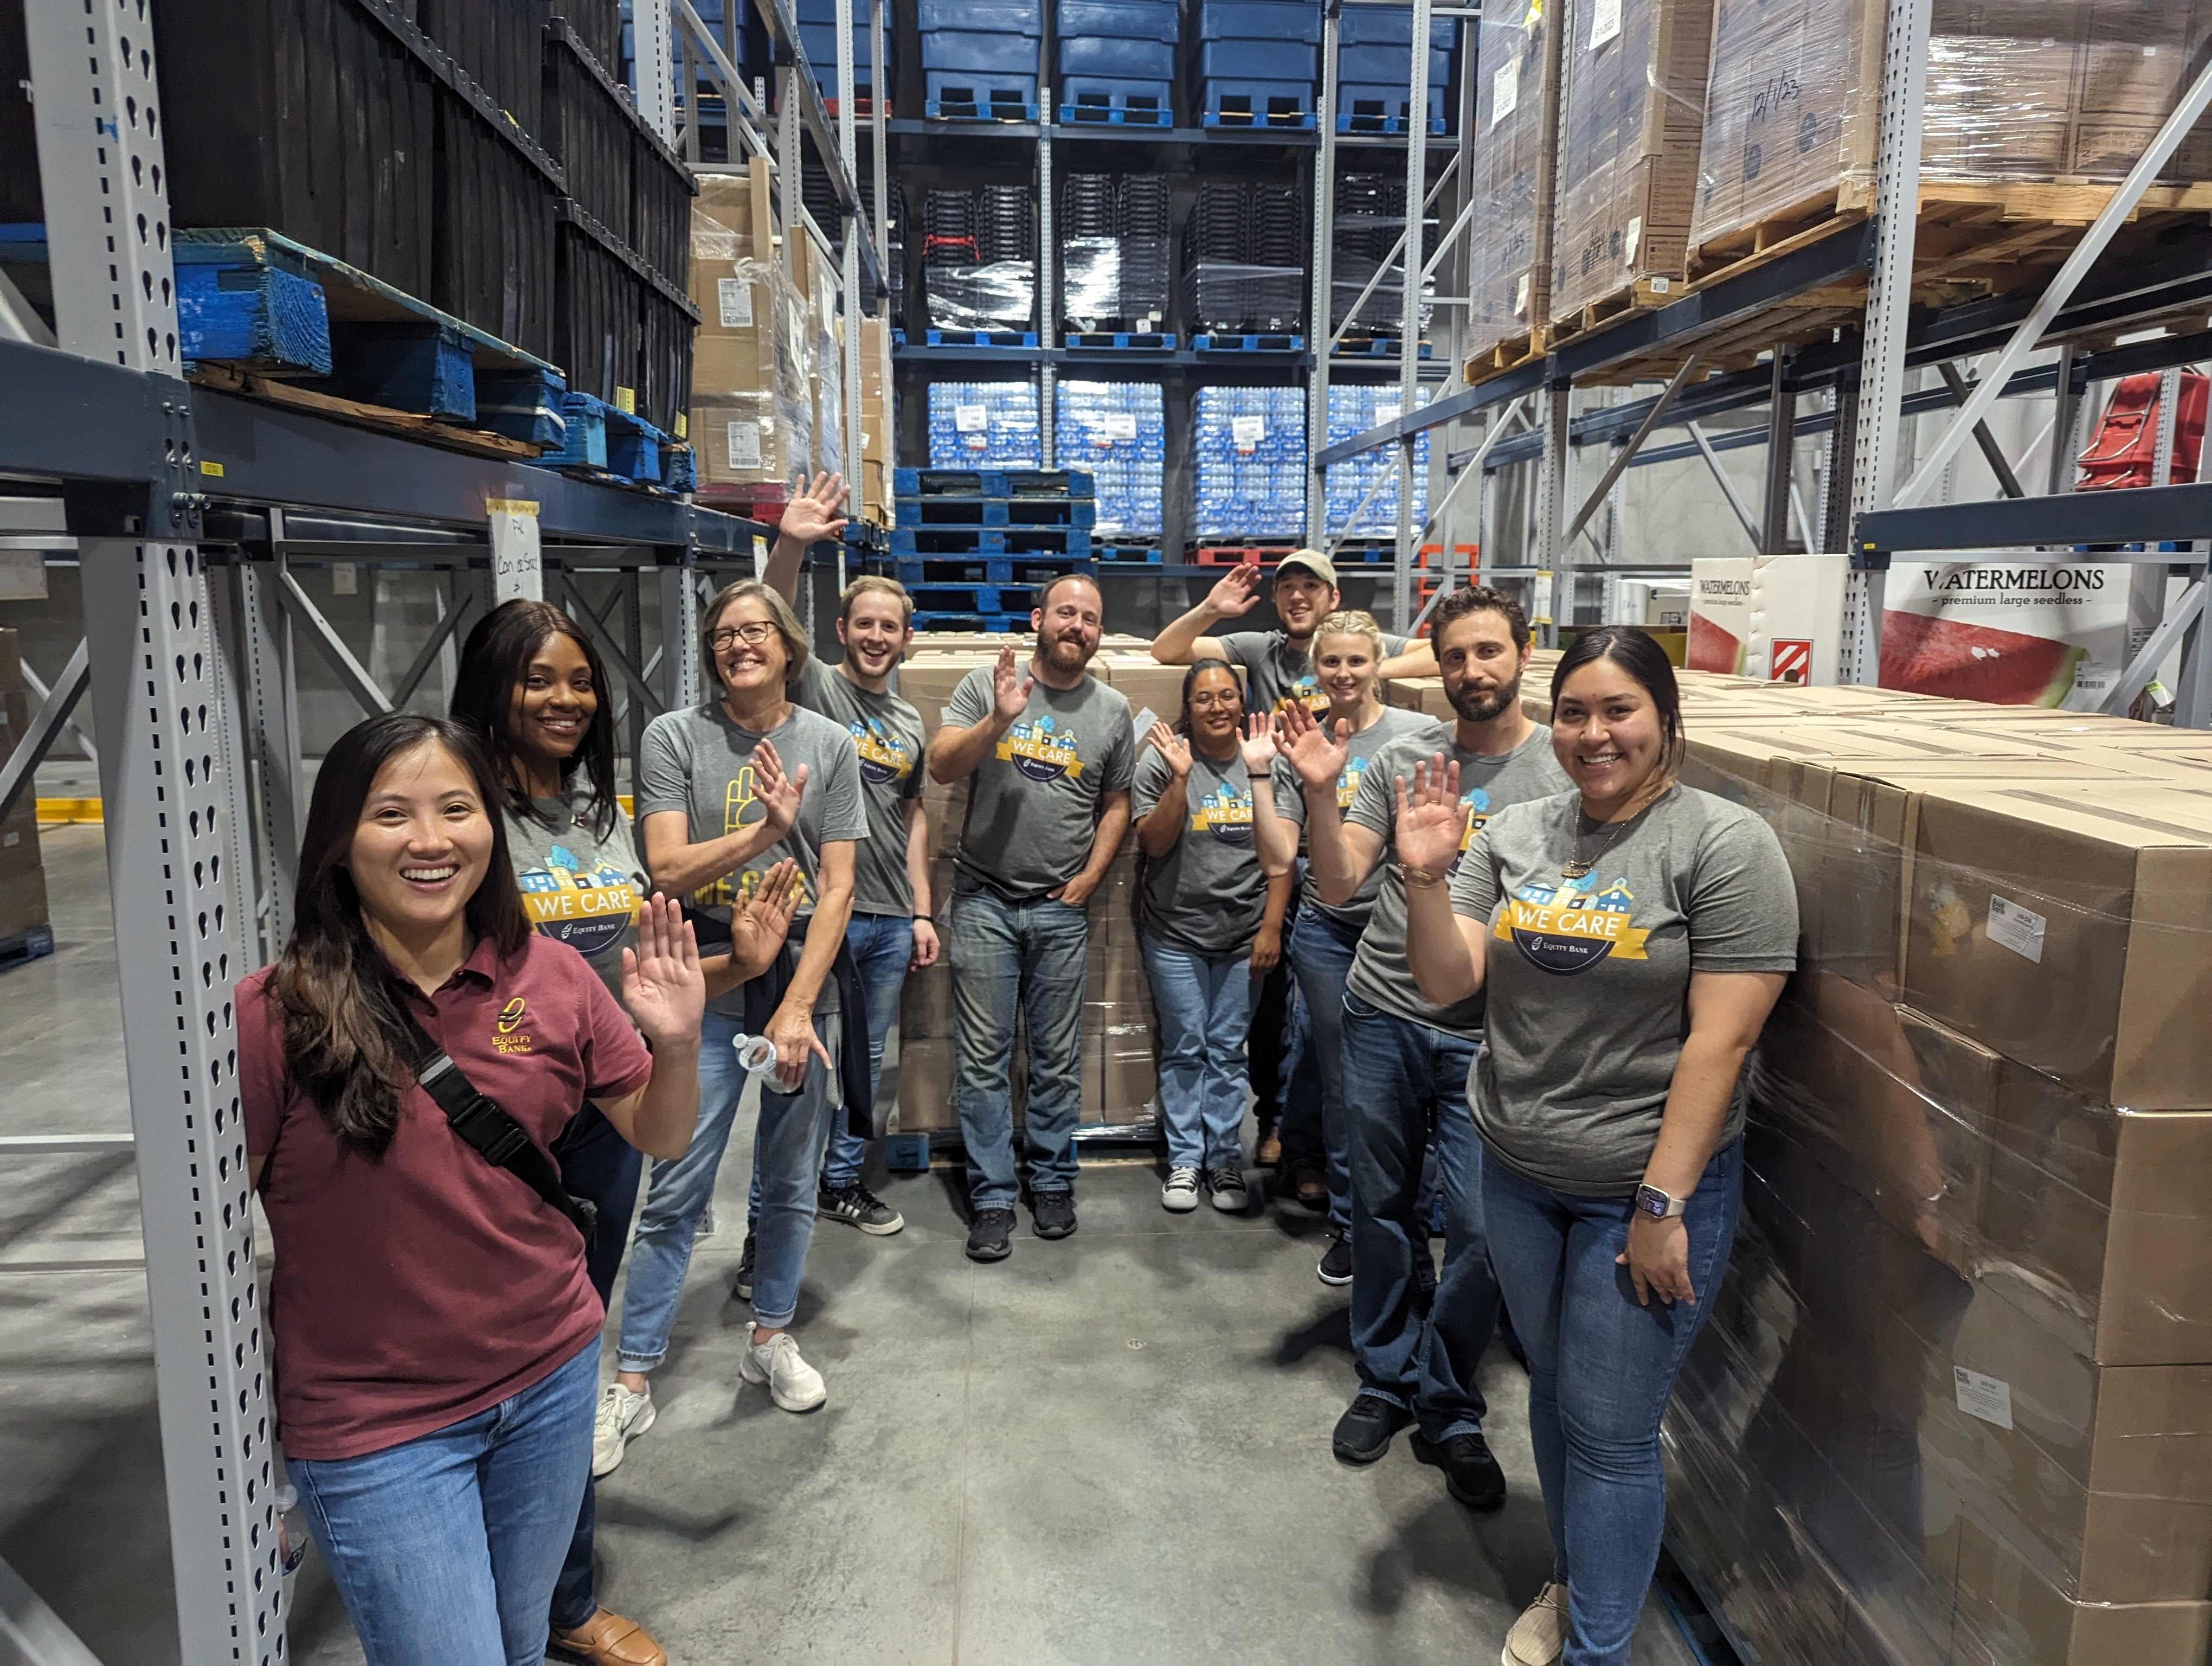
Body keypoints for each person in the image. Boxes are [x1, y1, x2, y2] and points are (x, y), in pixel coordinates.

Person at [237, 713, 709, 1666]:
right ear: (339, 839)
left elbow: (658, 1132)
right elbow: (209, 1246)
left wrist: (681, 1042)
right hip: (378, 1426)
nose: (430, 839)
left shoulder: (554, 975)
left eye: (457, 808)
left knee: (522, 1645)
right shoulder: (272, 1014)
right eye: (391, 813)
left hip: (548, 1372)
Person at [1398, 625, 1797, 1666]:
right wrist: (1429, 881)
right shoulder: (1517, 830)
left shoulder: (1723, 843)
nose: (1593, 732)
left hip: (1642, 1192)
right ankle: (1576, 1589)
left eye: (1619, 709)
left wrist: (1664, 1205)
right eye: (1574, 710)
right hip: (1521, 1174)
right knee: (1551, 1394)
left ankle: (1597, 1652)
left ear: (1666, 719)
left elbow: (1727, 1037)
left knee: (1613, 1433)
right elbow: (1449, 983)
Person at [448, 600, 801, 1666]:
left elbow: (636, 997)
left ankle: (564, 1604)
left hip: (599, 1131)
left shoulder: (606, 818)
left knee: (562, 1369)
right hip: (484, 1139)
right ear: (492, 688)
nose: (564, 700)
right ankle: (463, 1593)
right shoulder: (459, 815)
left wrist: (738, 960)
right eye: (537, 680)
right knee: (470, 1375)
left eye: (580, 682)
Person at [1273, 587, 1571, 1510]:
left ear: (1525, 653)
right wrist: (1320, 791)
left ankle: (1450, 1402)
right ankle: (1385, 1378)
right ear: (1435, 666)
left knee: (1483, 1231)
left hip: (1492, 1039)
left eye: (1490, 652)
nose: (1473, 671)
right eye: (1456, 656)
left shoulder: (1562, 779)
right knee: (1384, 1211)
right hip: (1383, 1017)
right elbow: (1336, 878)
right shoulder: (1402, 758)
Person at [602, 579, 870, 1464]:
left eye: (755, 629)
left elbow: (837, 886)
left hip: (803, 973)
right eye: (722, 633)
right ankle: (634, 1375)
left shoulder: (829, 743)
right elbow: (668, 869)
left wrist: (799, 1004)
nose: (737, 644)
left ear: (789, 646)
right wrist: (761, 835)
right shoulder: (674, 736)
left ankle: (769, 1340)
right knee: (676, 1180)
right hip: (707, 975)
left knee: (791, 1179)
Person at [1151, 552, 1433, 1168]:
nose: (1299, 597)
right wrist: (1212, 610)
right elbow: (1167, 653)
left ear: (1334, 597)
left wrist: (1361, 665)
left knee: (1329, 1027)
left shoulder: (1370, 671)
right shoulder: (1259, 648)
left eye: (1312, 587)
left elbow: (1438, 655)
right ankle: (1279, 1125)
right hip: (1288, 846)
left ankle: (1310, 1144)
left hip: (1362, 869)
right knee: (1284, 1015)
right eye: (1288, 589)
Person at [931, 572, 1135, 1261]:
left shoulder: (1112, 710)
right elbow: (939, 767)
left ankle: (1051, 1179)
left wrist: (1090, 877)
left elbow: (1117, 801)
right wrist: (1000, 719)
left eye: (1090, 619)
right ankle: (992, 1195)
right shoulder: (986, 685)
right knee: (983, 1060)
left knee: (1056, 1059)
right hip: (984, 898)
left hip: (1059, 910)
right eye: (1066, 613)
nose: (1077, 626)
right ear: (1038, 618)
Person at [760, 472, 937, 1251]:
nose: (875, 637)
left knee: (865, 1066)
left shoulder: (907, 719)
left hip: (891, 919)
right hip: (818, 914)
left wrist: (923, 907)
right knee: (794, 1068)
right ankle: (768, 1223)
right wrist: (791, 545)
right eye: (863, 624)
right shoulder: (820, 691)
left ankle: (839, 1186)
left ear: (907, 638)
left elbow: (914, 813)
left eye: (888, 627)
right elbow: (766, 627)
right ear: (841, 630)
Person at [1249, 609, 1437, 1283]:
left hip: (1404, 930)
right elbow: (1280, 855)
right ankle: (1354, 1226)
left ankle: (1417, 1213)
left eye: (1358, 660)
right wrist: (1262, 777)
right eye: (1332, 663)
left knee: (1421, 1078)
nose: (1345, 674)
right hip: (1329, 933)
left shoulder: (1419, 736)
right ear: (1315, 670)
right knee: (1345, 1084)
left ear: (1379, 664)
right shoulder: (1304, 742)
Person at [1131, 659, 1289, 1212]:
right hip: (1175, 933)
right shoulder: (1164, 757)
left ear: (1242, 701)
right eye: (1204, 698)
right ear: (1188, 706)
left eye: (1227, 696)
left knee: (1227, 1052)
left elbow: (1282, 856)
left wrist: (1271, 926)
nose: (1217, 706)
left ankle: (1223, 1159)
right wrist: (1178, 778)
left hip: (1244, 934)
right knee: (1185, 1048)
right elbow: (1153, 842)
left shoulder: (1262, 760)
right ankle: (1184, 1160)